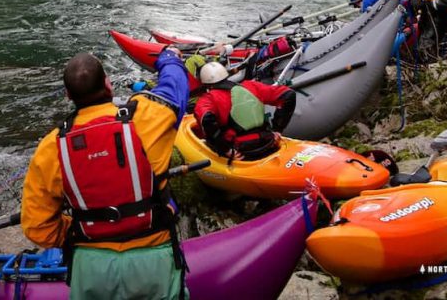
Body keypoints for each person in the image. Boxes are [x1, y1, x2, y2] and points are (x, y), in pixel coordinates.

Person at [21, 48, 190, 300]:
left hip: (91, 268)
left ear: (68, 95)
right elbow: (176, 87)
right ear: (108, 85)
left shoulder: (51, 147)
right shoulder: (149, 116)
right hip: (153, 259)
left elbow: (38, 228)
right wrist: (169, 58)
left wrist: (81, 229)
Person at [192, 62, 296, 161]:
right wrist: (277, 129)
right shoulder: (251, 86)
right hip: (267, 142)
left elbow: (206, 120)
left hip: (240, 151)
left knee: (207, 141)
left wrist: (225, 150)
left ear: (205, 83)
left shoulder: (208, 99)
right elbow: (288, 95)